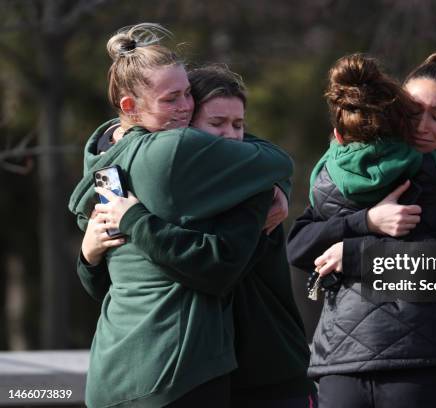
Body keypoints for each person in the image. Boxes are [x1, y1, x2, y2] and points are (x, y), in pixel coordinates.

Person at [68, 23, 298, 408]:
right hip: (177, 370)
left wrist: (87, 256)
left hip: (112, 371)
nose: (185, 107)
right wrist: (276, 186)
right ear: (129, 105)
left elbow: (111, 279)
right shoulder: (175, 147)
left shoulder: (106, 167)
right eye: (171, 99)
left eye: (188, 94)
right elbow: (277, 161)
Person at [287, 52, 436, 408]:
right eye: (414, 112)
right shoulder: (378, 165)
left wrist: (354, 254)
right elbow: (300, 243)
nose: (422, 126)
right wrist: (366, 220)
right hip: (410, 352)